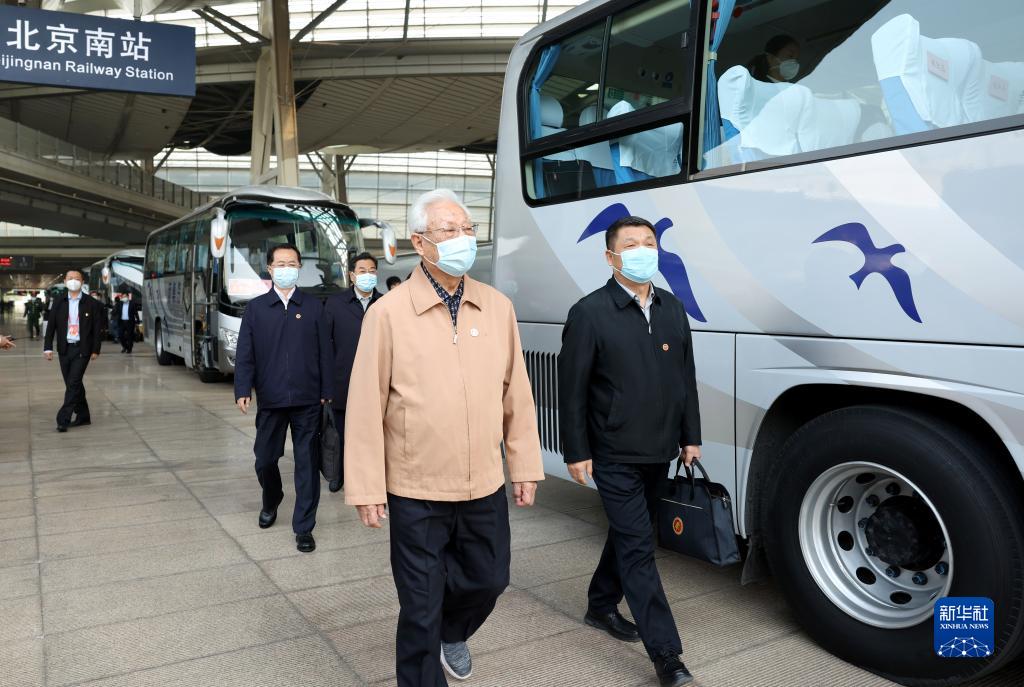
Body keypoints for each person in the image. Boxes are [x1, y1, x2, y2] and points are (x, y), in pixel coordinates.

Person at [345, 189, 545, 686]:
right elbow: (366, 404)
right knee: (419, 607)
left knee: (490, 579)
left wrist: (524, 465)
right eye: (449, 230)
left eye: (468, 229)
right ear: (419, 242)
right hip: (416, 489)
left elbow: (516, 393)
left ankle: (452, 631)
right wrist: (366, 487)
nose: (463, 239)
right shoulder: (388, 314)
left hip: (484, 482)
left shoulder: (497, 307)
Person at [557, 216, 702, 687]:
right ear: (610, 257)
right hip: (614, 451)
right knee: (640, 547)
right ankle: (667, 656)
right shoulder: (589, 312)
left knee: (629, 534)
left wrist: (690, 436)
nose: (644, 251)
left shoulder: (671, 307)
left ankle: (600, 606)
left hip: (660, 450)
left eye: (649, 243)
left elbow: (685, 378)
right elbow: (572, 390)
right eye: (632, 244)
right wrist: (576, 451)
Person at [234, 243, 333, 554]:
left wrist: (326, 391)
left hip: (308, 400)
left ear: (299, 267)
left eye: (292, 263)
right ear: (270, 269)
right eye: (280, 264)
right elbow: (245, 352)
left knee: (307, 464)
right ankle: (272, 498)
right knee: (265, 459)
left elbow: (326, 353)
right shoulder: (257, 309)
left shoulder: (314, 307)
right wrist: (242, 389)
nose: (286, 268)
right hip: (271, 398)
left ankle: (304, 527)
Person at [323, 251, 383, 493]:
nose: (367, 275)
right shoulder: (335, 304)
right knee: (343, 433)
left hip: (377, 382)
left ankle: (372, 478)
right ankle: (340, 474)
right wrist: (326, 385)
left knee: (374, 435)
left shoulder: (385, 303)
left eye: (372, 271)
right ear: (352, 275)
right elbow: (325, 345)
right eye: (362, 271)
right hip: (343, 381)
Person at [43, 270, 103, 433]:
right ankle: (83, 416)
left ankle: (63, 419)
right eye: (70, 278)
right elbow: (51, 326)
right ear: (65, 281)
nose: (73, 281)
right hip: (64, 349)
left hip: (82, 349)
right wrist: (47, 347)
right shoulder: (58, 301)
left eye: (77, 278)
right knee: (73, 384)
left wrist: (96, 349)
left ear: (82, 282)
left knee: (73, 383)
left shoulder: (92, 303)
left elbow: (97, 329)